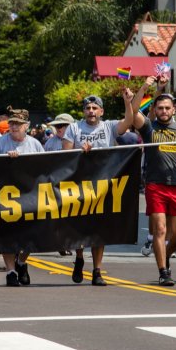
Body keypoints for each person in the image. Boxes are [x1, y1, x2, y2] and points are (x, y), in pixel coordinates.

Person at [62, 94, 136, 286]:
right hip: (79, 185)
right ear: (84, 111)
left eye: (95, 108)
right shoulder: (74, 128)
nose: (91, 111)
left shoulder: (109, 126)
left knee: (98, 230)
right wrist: (80, 153)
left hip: (103, 184)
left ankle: (97, 270)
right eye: (88, 108)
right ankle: (79, 258)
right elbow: (64, 156)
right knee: (79, 228)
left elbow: (129, 120)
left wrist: (128, 102)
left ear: (101, 111)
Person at [128, 88, 176, 286]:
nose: (164, 111)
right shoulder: (149, 127)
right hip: (155, 185)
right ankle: (163, 271)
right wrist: (144, 89)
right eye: (160, 108)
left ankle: (164, 255)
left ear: (174, 109)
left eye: (167, 108)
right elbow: (133, 112)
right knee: (160, 230)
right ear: (155, 110)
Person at [0, 107, 44, 286]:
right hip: (6, 195)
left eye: (18, 124)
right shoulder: (0, 142)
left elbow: (45, 168)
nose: (14, 127)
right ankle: (10, 271)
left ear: (26, 126)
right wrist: (7, 160)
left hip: (29, 195)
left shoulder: (35, 144)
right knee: (7, 234)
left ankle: (21, 262)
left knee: (30, 235)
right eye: (12, 123)